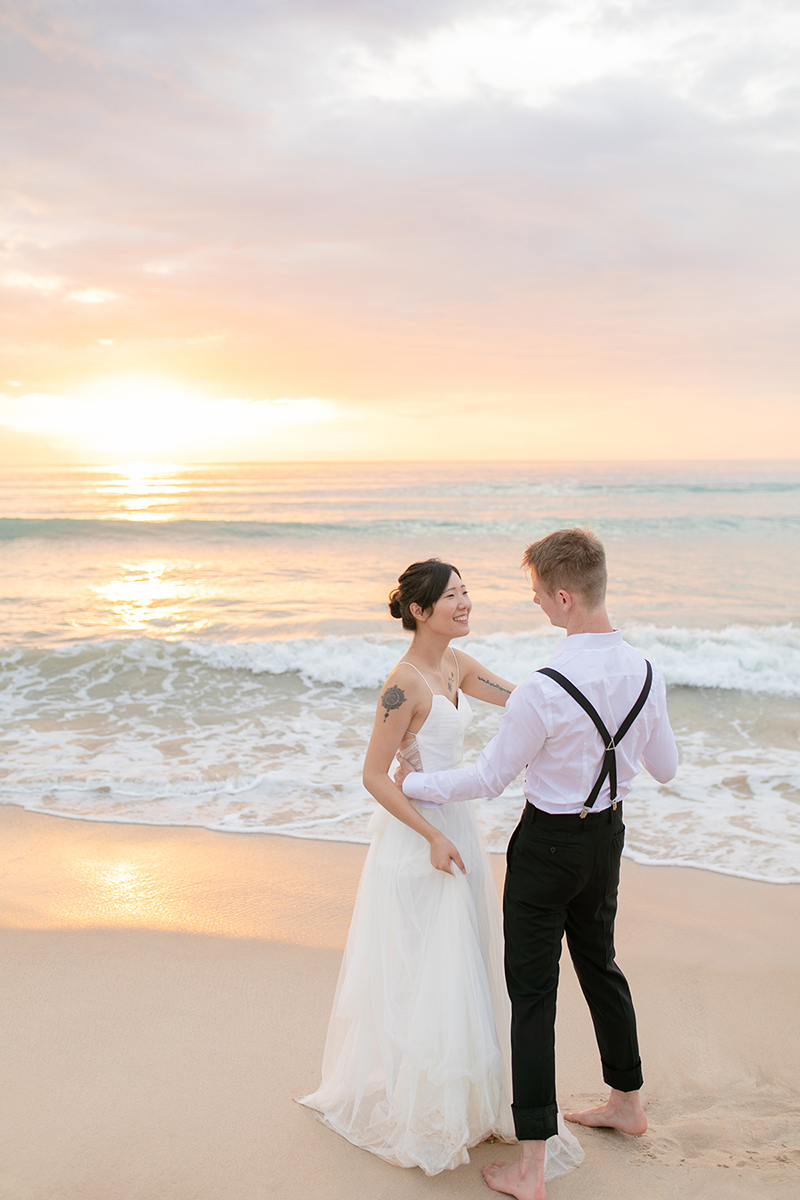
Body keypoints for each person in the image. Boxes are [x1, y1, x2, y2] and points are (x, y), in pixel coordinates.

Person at [397, 530, 678, 1200]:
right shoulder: (647, 671)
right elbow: (664, 768)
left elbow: (489, 779)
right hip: (607, 839)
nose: (535, 605)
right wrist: (615, 753)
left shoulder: (544, 690)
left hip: (548, 847)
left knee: (532, 997)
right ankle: (627, 1103)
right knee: (601, 965)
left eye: (536, 595)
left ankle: (531, 1168)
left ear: (562, 596)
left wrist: (412, 785)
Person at [299, 559, 584, 1180]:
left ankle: (462, 1101)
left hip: (458, 830)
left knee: (461, 967)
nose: (465, 603)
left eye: (465, 592)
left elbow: (521, 700)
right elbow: (375, 775)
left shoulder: (456, 665)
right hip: (417, 842)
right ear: (420, 611)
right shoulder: (402, 686)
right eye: (452, 596)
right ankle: (426, 1106)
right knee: (426, 971)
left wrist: (579, 701)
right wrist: (429, 833)